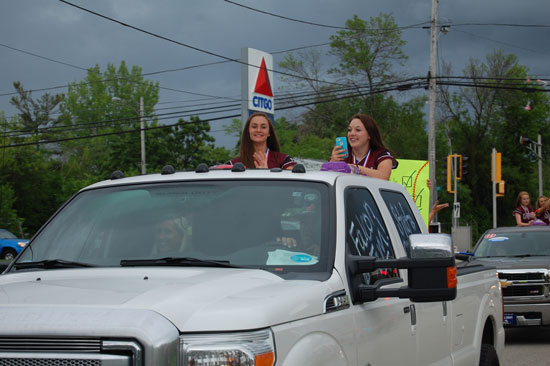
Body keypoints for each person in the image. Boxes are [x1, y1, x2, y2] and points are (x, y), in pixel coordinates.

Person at [330, 113, 397, 180]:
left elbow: (384, 177)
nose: (352, 134)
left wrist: (355, 169)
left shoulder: (381, 154)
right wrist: (332, 162)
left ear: (369, 134)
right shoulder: (342, 153)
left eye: (358, 130)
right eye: (349, 130)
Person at [228, 112, 297, 170]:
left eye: (263, 127)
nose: (258, 130)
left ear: (269, 132)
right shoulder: (234, 164)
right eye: (254, 127)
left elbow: (291, 185)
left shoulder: (284, 160)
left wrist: (265, 172)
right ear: (248, 131)